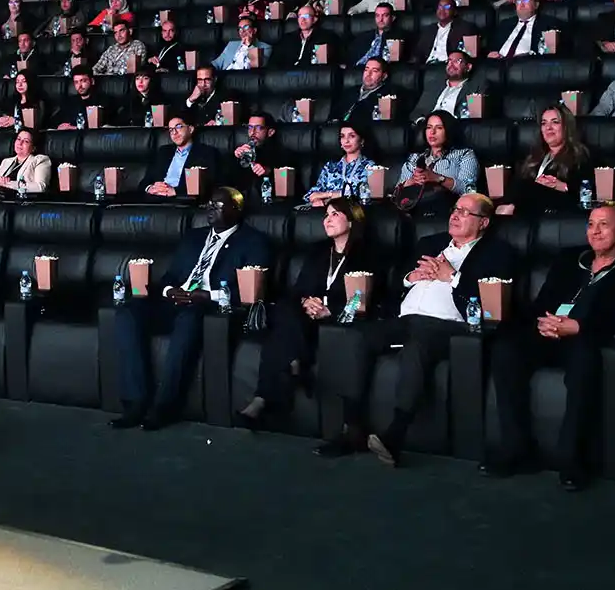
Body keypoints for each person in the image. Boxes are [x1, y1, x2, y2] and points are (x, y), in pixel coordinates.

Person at [320, 191, 517, 467]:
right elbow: (395, 281)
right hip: (404, 319)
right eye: (454, 209)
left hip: (449, 325)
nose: (455, 215)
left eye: (464, 212)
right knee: (355, 337)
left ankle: (395, 435)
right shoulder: (430, 242)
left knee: (418, 345)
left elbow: (491, 300)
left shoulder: (497, 252)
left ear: (483, 222)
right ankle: (351, 427)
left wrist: (452, 277)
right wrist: (412, 277)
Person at [483, 201, 615, 491]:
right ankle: (517, 448)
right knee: (506, 349)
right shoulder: (570, 258)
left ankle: (572, 459)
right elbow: (543, 302)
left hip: (588, 337)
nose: (595, 231)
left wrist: (580, 327)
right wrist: (543, 322)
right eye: (591, 224)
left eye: (604, 224)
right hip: (550, 331)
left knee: (583, 359)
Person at [109, 189, 273, 430]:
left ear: (235, 210)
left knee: (189, 318)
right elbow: (171, 276)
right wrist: (169, 291)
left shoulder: (253, 241)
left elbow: (252, 290)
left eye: (218, 205)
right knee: (128, 312)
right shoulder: (193, 237)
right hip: (175, 299)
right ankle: (135, 401)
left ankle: (165, 406)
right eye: (209, 204)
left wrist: (206, 295)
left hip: (208, 306)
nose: (210, 209)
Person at [236, 197, 382, 431]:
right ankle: (293, 363)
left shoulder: (369, 254)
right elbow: (299, 289)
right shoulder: (318, 250)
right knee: (284, 308)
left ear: (353, 221)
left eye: (335, 214)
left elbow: (366, 298)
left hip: (339, 318)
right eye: (326, 215)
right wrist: (305, 302)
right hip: (305, 316)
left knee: (281, 334)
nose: (328, 219)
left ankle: (264, 396)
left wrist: (329, 310)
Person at [498, 104, 593, 216]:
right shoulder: (533, 158)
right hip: (526, 215)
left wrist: (564, 187)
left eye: (555, 122)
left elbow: (586, 194)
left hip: (557, 216)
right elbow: (515, 187)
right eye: (544, 123)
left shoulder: (580, 157)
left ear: (566, 127)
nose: (548, 127)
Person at [394, 110, 480, 211]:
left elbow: (468, 190)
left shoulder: (464, 155)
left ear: (448, 130)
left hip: (448, 209)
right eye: (429, 127)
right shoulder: (415, 158)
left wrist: (438, 178)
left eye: (439, 128)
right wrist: (412, 181)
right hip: (414, 209)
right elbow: (396, 193)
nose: (432, 132)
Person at [142, 116, 224, 197]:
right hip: (156, 197)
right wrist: (150, 188)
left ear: (190, 129)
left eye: (178, 127)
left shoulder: (207, 152)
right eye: (171, 130)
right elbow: (144, 181)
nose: (174, 133)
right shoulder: (163, 151)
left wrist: (176, 192)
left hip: (182, 199)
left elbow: (210, 184)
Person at [0, 129, 55, 196]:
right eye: (18, 139)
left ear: (33, 148)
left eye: (26, 141)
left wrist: (8, 184)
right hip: (2, 200)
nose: (20, 143)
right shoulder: (7, 161)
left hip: (23, 203)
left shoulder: (40, 160)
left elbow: (41, 187)